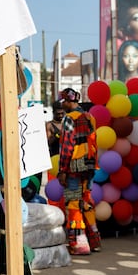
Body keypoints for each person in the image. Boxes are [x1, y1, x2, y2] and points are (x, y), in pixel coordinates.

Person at [57, 88, 102, 254]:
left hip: (74, 166)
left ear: (69, 102)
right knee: (87, 201)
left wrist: (62, 169)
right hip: (90, 165)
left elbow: (67, 146)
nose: (63, 105)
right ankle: (94, 241)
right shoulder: (90, 117)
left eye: (64, 102)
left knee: (73, 203)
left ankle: (79, 244)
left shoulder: (69, 119)